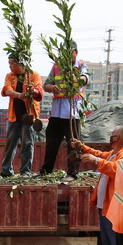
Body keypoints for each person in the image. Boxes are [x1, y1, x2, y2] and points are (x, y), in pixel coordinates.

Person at [40, 41, 89, 181]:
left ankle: (72, 173)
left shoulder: (81, 66)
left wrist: (76, 79)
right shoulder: (56, 67)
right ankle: (46, 171)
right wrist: (52, 88)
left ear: (76, 53)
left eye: (69, 52)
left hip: (72, 112)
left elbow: (85, 78)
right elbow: (46, 84)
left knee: (73, 144)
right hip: (57, 111)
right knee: (51, 142)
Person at [0, 56, 43, 178]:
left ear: (20, 63)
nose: (9, 66)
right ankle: (6, 171)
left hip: (29, 116)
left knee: (27, 144)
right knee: (10, 145)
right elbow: (6, 90)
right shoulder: (10, 76)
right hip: (14, 116)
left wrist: (33, 91)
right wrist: (19, 95)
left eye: (11, 64)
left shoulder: (34, 75)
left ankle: (25, 172)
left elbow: (39, 92)